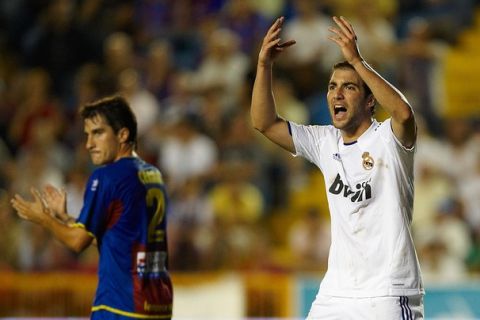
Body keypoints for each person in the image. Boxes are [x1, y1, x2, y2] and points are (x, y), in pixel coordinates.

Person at [251, 16, 424, 319]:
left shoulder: (388, 138)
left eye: (349, 87)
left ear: (370, 101)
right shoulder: (324, 142)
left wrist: (356, 60)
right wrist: (264, 66)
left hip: (388, 291)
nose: (337, 94)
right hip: (336, 293)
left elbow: (404, 114)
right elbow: (263, 123)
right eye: (332, 87)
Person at [11, 95, 173, 319]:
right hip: (158, 305)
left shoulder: (107, 177)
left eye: (98, 133)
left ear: (123, 134)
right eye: (87, 135)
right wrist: (66, 219)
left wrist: (43, 219)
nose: (89, 144)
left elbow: (77, 242)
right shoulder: (153, 174)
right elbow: (117, 239)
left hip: (120, 305)